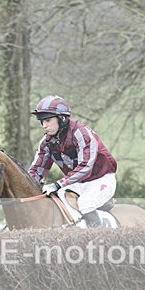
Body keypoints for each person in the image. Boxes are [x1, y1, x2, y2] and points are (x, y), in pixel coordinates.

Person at [27, 95, 117, 227]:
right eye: (42, 121)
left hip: (101, 179)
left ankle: (98, 237)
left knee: (85, 204)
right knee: (56, 200)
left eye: (48, 120)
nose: (44, 126)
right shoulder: (46, 142)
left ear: (62, 118)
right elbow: (36, 170)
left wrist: (58, 184)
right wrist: (27, 187)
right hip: (78, 183)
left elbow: (85, 166)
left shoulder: (81, 133)